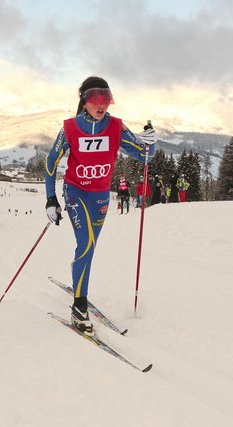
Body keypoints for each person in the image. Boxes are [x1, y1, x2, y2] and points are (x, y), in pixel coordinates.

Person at [44, 76, 156, 336]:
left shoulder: (115, 127)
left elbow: (144, 155)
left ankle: (77, 270)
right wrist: (51, 199)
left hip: (101, 197)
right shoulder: (71, 128)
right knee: (86, 244)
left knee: (89, 247)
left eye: (105, 99)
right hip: (76, 192)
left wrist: (151, 140)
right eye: (95, 99)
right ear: (84, 100)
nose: (101, 104)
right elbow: (51, 163)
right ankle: (79, 306)